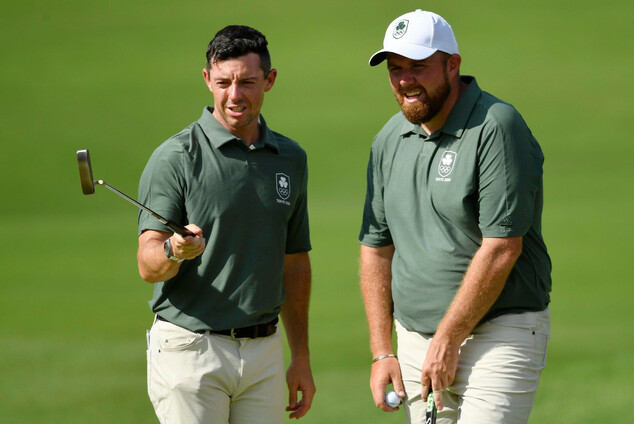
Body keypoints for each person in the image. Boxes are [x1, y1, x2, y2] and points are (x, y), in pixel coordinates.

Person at [359, 9, 552, 424]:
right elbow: (376, 248)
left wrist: (447, 340)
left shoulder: (496, 126)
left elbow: (502, 247)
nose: (405, 80)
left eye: (418, 67)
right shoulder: (389, 138)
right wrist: (382, 351)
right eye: (395, 69)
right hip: (415, 341)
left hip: (498, 335)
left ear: (452, 65)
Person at [137, 25, 315, 424]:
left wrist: (300, 356)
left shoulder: (290, 158)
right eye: (223, 83)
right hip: (191, 351)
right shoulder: (175, 157)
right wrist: (173, 250)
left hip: (264, 352)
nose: (234, 95)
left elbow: (294, 262)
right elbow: (148, 264)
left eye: (247, 82)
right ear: (207, 80)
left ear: (269, 80)